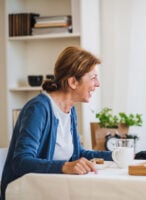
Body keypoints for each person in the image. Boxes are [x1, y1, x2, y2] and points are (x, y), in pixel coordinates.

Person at [1, 46, 112, 200]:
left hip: (51, 189)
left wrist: (117, 155)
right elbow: (21, 162)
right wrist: (65, 166)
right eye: (93, 77)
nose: (98, 83)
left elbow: (77, 154)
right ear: (73, 82)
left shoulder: (69, 109)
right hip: (25, 192)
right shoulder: (38, 109)